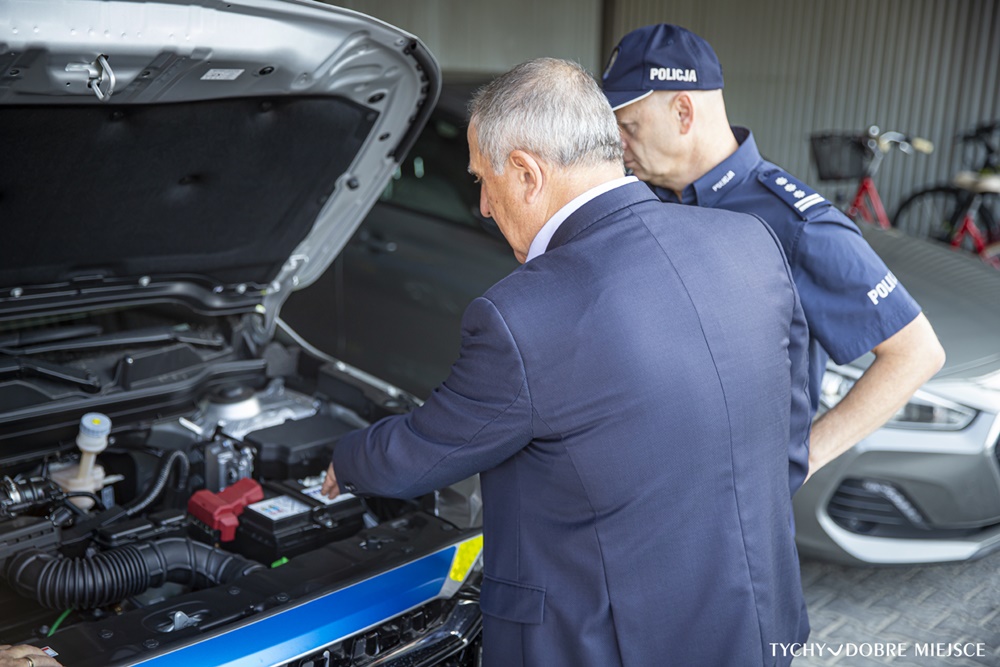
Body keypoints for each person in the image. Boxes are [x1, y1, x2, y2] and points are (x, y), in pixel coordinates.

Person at [323, 57, 811, 666]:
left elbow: (426, 452)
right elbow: (790, 441)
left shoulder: (523, 315)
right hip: (762, 625)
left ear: (526, 173)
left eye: (481, 178)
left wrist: (346, 458)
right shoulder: (749, 242)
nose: (482, 205)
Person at [602, 24, 946, 489]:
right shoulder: (653, 197)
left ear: (683, 111)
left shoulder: (794, 223)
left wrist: (799, 461)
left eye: (628, 127)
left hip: (737, 499)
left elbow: (916, 352)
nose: (619, 145)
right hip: (663, 475)